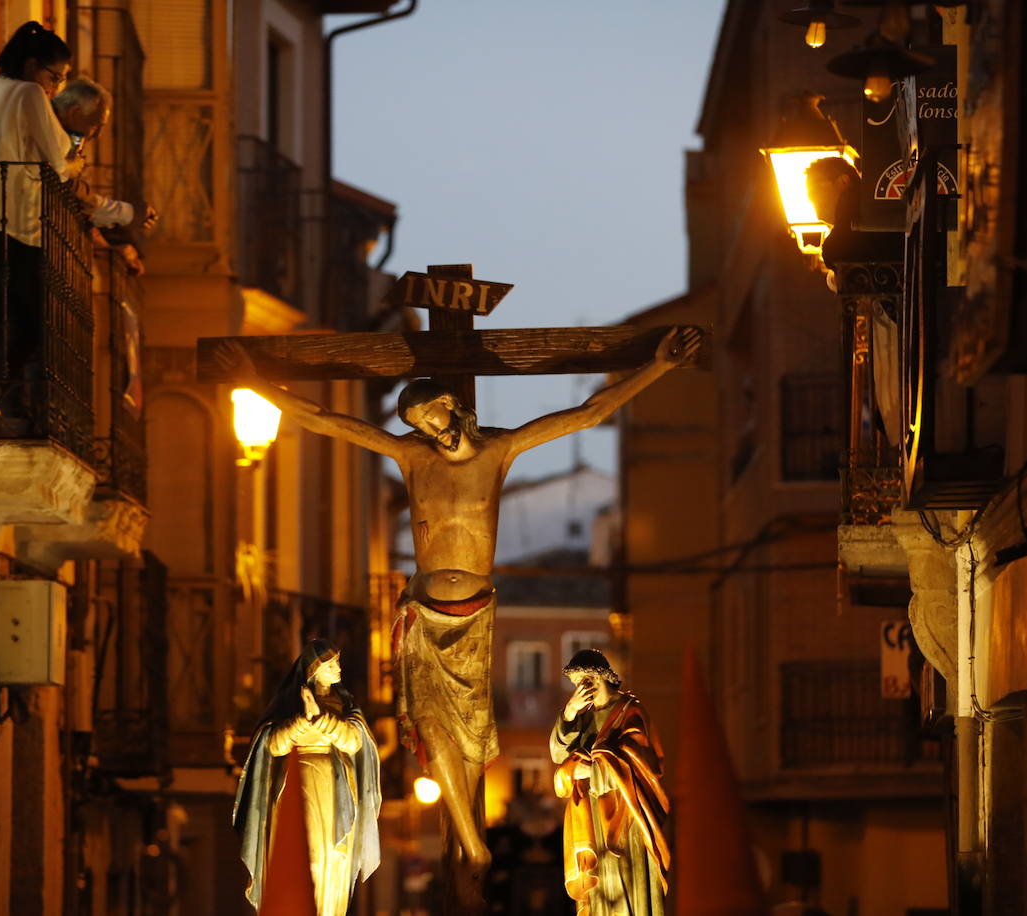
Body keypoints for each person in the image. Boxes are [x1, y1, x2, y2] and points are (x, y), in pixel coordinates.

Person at [214, 326, 702, 880]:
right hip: (423, 609)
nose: (429, 432)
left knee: (469, 728)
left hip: (473, 611)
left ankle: (472, 841)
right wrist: (256, 382)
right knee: (430, 722)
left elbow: (588, 413)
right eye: (418, 427)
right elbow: (329, 420)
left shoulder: (499, 450)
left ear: (450, 404)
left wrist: (658, 366)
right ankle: (473, 845)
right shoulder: (408, 456)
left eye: (432, 418)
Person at [0, 21, 76, 412]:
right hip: (14, 223)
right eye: (55, 76)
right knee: (29, 319)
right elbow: (61, 159)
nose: (56, 88)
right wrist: (74, 158)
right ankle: (10, 402)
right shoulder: (29, 93)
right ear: (31, 67)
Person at [233, 640, 382, 916]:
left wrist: (322, 718)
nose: (338, 668)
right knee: (308, 854)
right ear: (314, 670)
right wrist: (302, 720)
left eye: (337, 662)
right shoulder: (291, 706)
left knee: (335, 860)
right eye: (331, 664)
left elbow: (353, 742)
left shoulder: (344, 705)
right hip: (301, 783)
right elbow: (274, 745)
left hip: (337, 790)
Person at [550, 650, 671, 916]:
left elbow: (638, 761)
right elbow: (558, 755)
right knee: (601, 888)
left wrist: (592, 772)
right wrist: (569, 713)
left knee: (623, 879)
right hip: (592, 818)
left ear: (595, 678)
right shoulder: (583, 716)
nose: (578, 692)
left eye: (581, 682)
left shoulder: (630, 711)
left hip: (625, 814)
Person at [50, 78, 158, 232]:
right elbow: (70, 187)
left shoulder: (67, 136)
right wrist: (127, 213)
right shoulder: (55, 136)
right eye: (95, 126)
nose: (97, 136)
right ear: (74, 113)